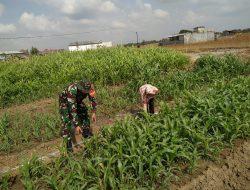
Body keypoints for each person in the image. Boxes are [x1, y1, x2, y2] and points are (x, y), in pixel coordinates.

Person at [59, 79, 97, 152]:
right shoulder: (72, 90)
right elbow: (72, 109)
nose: (85, 92)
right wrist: (76, 125)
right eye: (84, 91)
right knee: (66, 121)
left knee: (84, 112)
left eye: (87, 91)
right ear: (80, 88)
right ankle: (68, 147)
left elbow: (93, 99)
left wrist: (93, 112)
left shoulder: (90, 87)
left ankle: (87, 133)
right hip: (65, 103)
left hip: (78, 100)